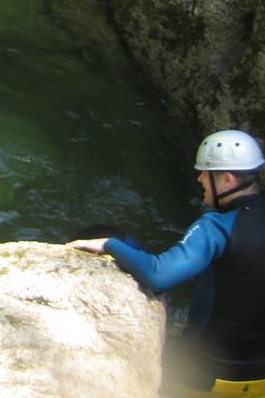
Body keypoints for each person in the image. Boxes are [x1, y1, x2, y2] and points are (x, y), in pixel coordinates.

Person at [67, 129, 265, 396]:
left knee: (118, 239)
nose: (200, 179)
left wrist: (108, 245)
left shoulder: (216, 227)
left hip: (204, 376)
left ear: (227, 179)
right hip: (260, 379)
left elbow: (159, 275)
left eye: (206, 173)